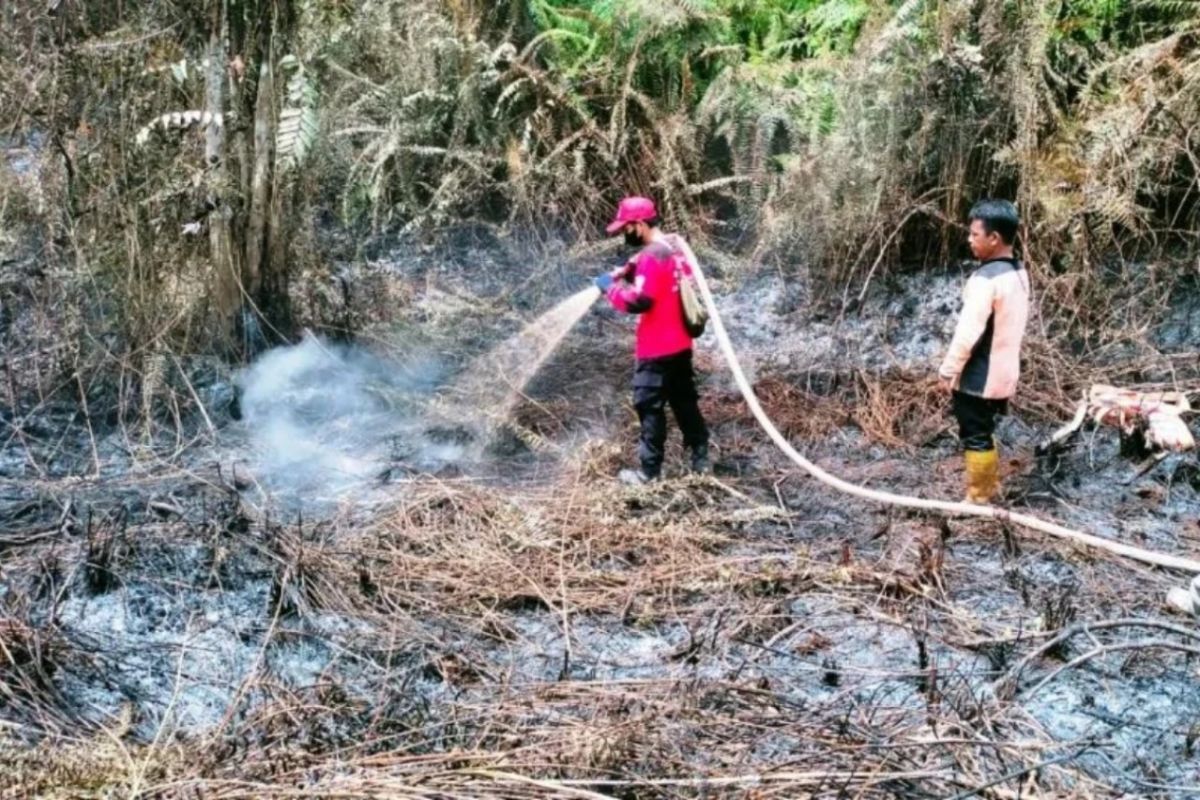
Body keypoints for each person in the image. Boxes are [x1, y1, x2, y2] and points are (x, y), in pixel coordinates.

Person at [595, 196, 709, 485]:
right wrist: (628, 269)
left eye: (626, 228)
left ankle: (649, 473)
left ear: (640, 225)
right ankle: (700, 457)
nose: (624, 234)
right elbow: (670, 273)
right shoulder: (672, 249)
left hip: (655, 350)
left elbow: (639, 301)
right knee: (684, 401)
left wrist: (611, 289)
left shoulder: (652, 256)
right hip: (680, 345)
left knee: (649, 407)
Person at [938, 199, 1031, 504]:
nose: (969, 240)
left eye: (974, 235)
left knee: (974, 433)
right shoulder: (1018, 272)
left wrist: (949, 369)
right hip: (1003, 371)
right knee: (983, 429)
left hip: (980, 374)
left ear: (994, 238)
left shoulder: (985, 280)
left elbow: (968, 333)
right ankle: (988, 488)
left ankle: (979, 497)